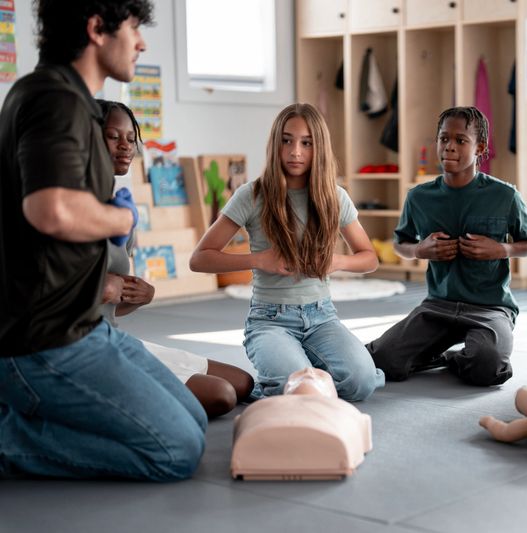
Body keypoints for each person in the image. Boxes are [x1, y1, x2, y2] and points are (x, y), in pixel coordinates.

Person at [0, 0, 206, 480]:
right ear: (96, 29)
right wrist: (117, 219)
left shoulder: (68, 102)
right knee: (176, 451)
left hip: (87, 328)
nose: (141, 42)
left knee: (195, 420)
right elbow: (50, 209)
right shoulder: (55, 100)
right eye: (133, 28)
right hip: (43, 342)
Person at [190, 103, 384, 401]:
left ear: (318, 147)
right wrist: (259, 260)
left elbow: (369, 258)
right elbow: (199, 259)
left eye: (306, 143)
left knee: (362, 383)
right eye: (287, 140)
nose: (295, 151)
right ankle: (289, 375)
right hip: (269, 320)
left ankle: (306, 369)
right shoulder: (251, 195)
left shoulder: (335, 196)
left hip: (322, 318)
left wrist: (337, 261)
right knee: (299, 392)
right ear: (275, 144)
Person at [366, 106, 527, 386]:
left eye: (460, 140)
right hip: (437, 306)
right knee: (382, 361)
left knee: (487, 368)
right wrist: (418, 251)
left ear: (480, 148)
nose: (449, 146)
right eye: (443, 138)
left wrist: (503, 250)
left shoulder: (505, 195)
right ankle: (437, 353)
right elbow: (401, 243)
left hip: (490, 309)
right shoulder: (419, 197)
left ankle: (453, 357)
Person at [98, 99, 254, 418]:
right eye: (114, 136)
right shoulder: (66, 211)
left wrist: (139, 297)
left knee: (243, 382)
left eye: (131, 138)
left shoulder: (122, 210)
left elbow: (110, 306)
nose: (126, 146)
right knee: (222, 396)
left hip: (112, 334)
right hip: (89, 348)